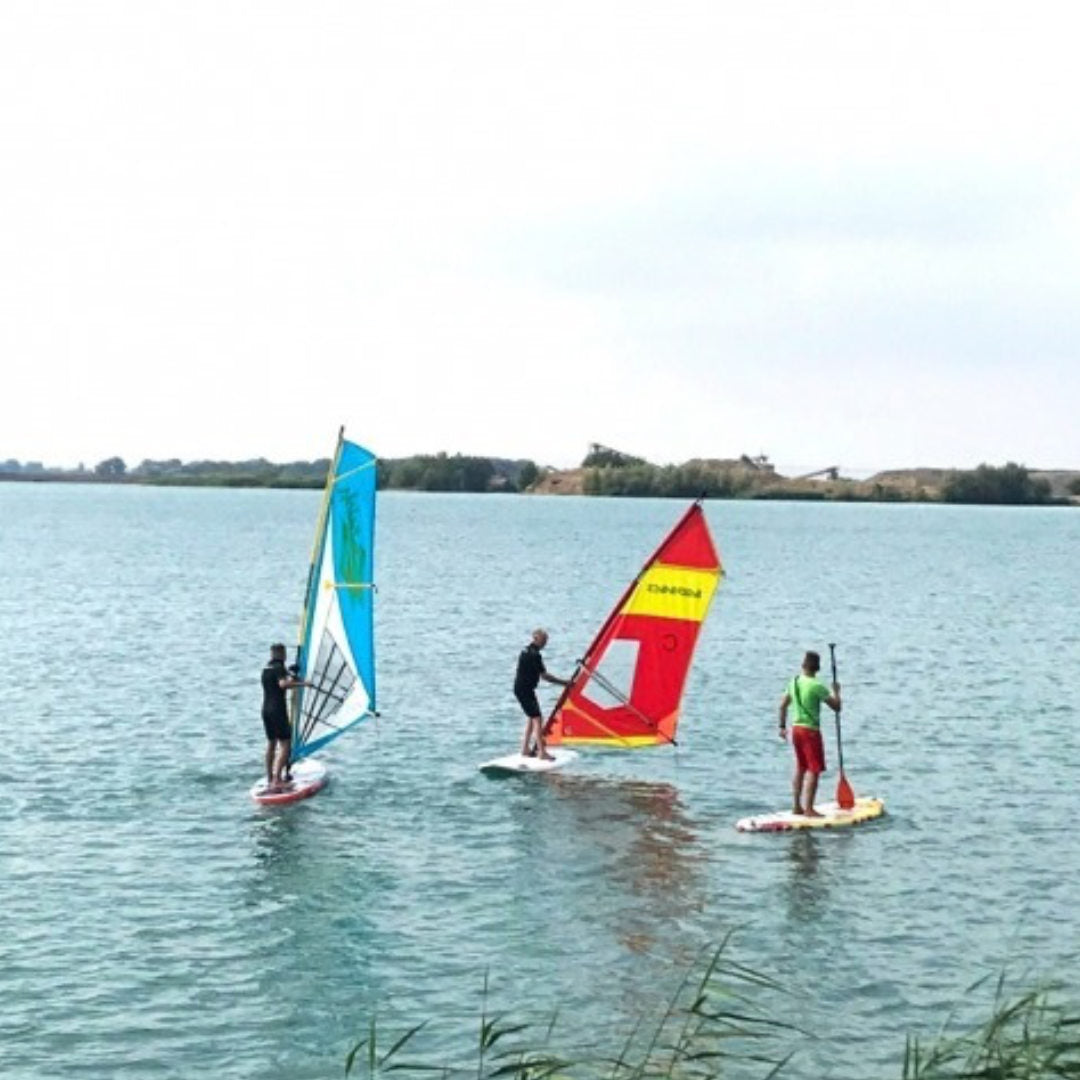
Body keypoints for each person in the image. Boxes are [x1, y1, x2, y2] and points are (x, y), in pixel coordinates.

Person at [778, 650, 841, 816]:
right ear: (817, 668)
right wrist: (837, 691)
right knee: (814, 769)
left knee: (800, 767)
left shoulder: (794, 682)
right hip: (810, 732)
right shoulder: (817, 685)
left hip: (796, 730)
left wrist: (782, 727)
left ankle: (796, 806)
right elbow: (837, 707)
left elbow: (782, 705)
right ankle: (809, 809)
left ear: (803, 665)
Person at [514, 628, 571, 760]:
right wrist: (564, 683)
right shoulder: (534, 655)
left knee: (531, 717)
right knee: (538, 719)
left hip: (523, 689)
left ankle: (525, 749)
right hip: (525, 690)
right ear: (536, 638)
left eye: (546, 641)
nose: (545, 643)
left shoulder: (525, 650)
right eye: (544, 640)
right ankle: (542, 752)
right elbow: (545, 676)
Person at [261, 643, 307, 792]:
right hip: (278, 710)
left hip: (265, 710)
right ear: (282, 654)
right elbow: (282, 684)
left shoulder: (266, 669)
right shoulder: (280, 668)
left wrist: (292, 675)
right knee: (285, 744)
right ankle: (278, 779)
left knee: (271, 743)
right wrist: (303, 683)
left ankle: (270, 777)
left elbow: (280, 680)